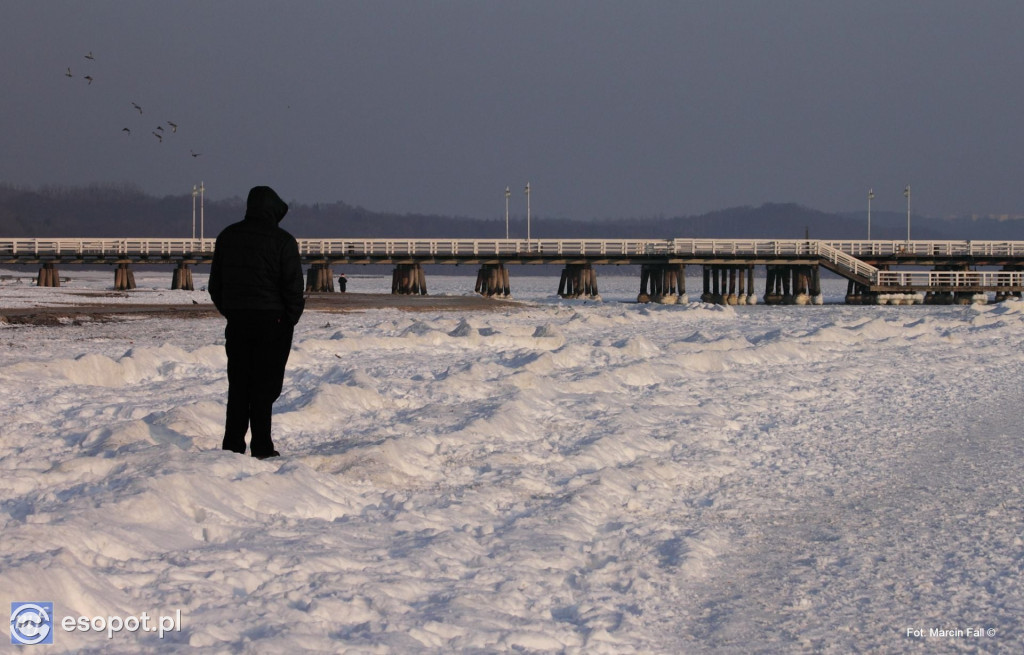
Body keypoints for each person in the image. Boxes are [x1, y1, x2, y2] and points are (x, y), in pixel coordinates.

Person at [208, 186, 305, 459]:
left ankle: (233, 446)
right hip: (272, 322)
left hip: (239, 321)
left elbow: (216, 285)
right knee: (265, 386)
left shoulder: (227, 236)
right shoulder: (283, 241)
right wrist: (288, 320)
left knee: (239, 384)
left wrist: (231, 311)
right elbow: (293, 287)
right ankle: (262, 446)